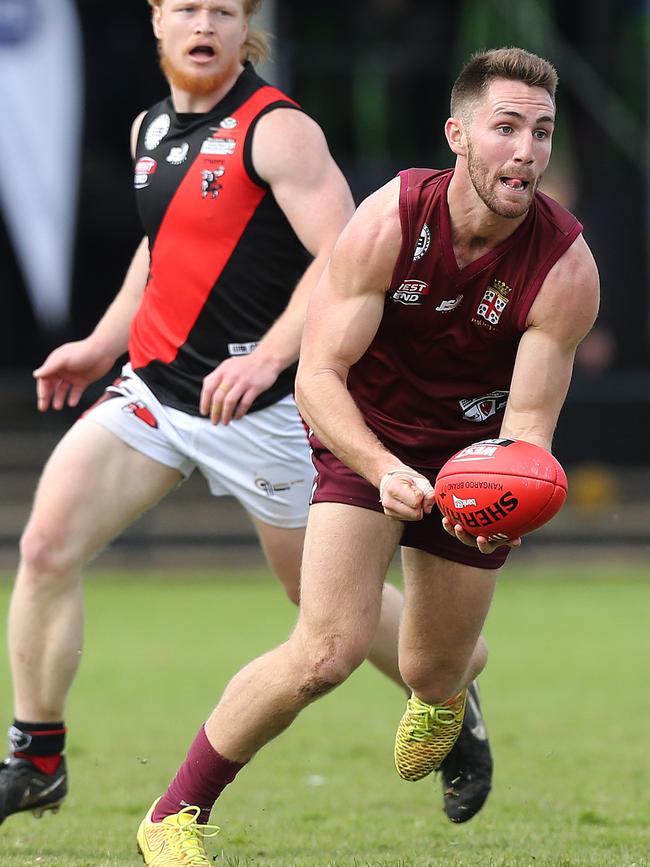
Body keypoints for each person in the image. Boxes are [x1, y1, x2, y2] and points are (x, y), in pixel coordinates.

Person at [0, 0, 493, 834]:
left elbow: (344, 263)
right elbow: (161, 249)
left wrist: (268, 356)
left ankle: (450, 690)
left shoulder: (279, 130)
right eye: (187, 7)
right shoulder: (148, 128)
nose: (205, 24)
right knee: (45, 546)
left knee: (326, 609)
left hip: (261, 413)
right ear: (156, 20)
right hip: (157, 395)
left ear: (244, 27)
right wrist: (98, 342)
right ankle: (37, 756)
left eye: (224, 10)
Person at [135, 45, 600, 864]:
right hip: (364, 429)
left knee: (428, 668)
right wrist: (381, 466)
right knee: (325, 651)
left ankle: (447, 696)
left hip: (473, 454)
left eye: (541, 132)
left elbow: (529, 426)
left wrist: (509, 505)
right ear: (457, 134)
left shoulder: (566, 267)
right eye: (505, 128)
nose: (526, 151)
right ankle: (175, 813)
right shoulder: (388, 220)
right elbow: (317, 377)